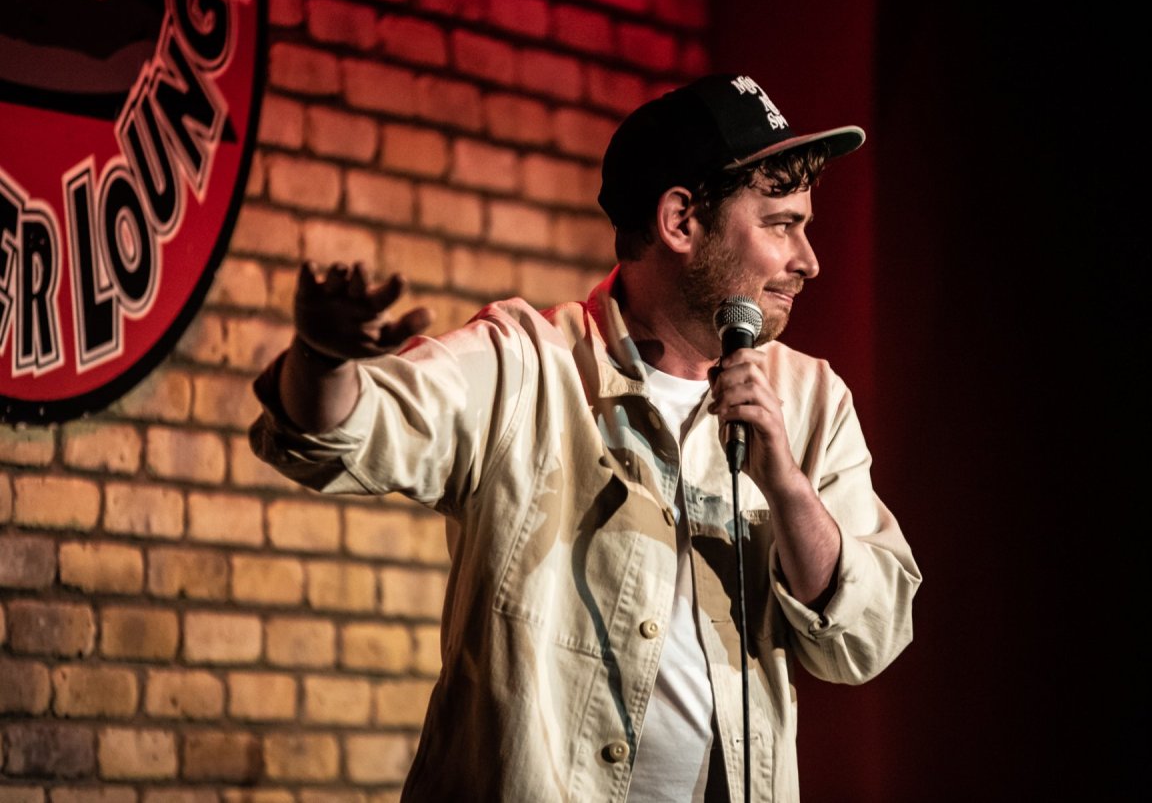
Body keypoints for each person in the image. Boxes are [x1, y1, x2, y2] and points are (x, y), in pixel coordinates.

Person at [249, 73, 921, 802]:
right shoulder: (527, 365)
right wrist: (322, 361)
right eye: (781, 225)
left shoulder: (811, 400)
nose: (808, 260)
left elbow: (865, 640)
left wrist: (786, 485)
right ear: (680, 221)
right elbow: (348, 430)